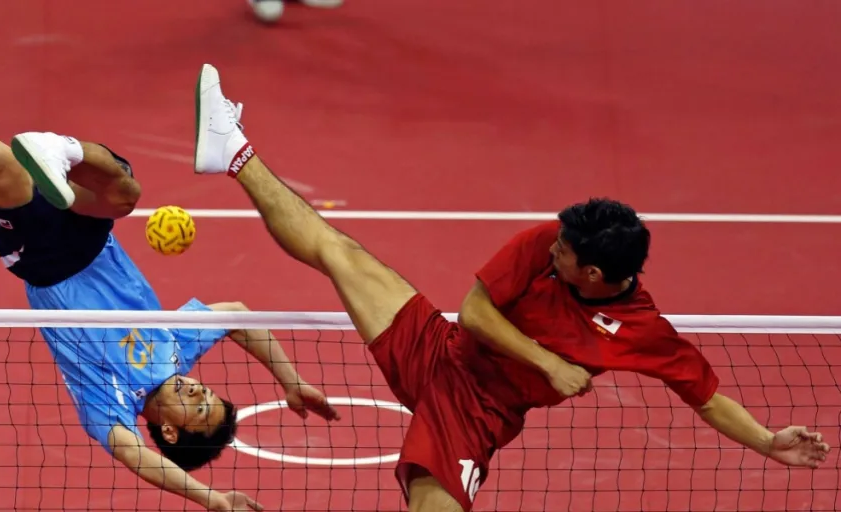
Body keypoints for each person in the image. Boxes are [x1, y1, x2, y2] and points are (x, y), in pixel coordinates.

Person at [189, 63, 832, 511]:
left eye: (565, 254)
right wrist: (549, 361)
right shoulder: (546, 240)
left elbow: (708, 396)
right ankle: (233, 150)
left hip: (475, 413)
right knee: (339, 250)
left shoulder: (641, 331)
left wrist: (769, 443)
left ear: (597, 277)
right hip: (440, 348)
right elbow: (472, 312)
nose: (551, 248)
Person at [0, 2, 339, 510]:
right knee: (127, 193)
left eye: (199, 409)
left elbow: (133, 455)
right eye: (208, 394)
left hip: (41, 260)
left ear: (168, 432)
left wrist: (210, 499)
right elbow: (240, 317)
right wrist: (291, 381)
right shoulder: (177, 347)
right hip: (91, 236)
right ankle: (59, 150)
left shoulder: (111, 404)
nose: (199, 393)